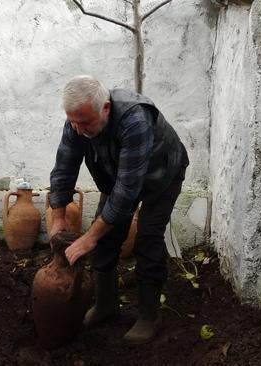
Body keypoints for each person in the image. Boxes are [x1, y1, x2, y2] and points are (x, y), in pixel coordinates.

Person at [48, 75, 189, 345]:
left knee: (148, 235)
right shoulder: (78, 122)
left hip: (162, 175)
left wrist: (89, 237)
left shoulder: (135, 119)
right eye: (73, 122)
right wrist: (58, 218)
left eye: (85, 122)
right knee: (106, 239)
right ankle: (106, 305)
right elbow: (64, 167)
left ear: (106, 108)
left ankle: (149, 315)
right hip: (120, 176)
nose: (78, 129)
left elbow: (126, 194)